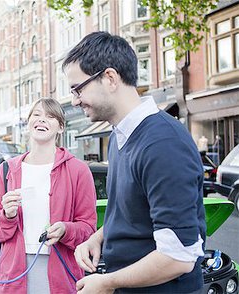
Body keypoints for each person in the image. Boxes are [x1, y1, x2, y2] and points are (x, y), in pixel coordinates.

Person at [63, 32, 206, 294]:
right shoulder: (121, 135)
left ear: (109, 78)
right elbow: (134, 211)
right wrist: (98, 237)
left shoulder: (163, 143)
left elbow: (179, 256)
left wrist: (106, 283)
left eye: (78, 89)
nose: (74, 100)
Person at [0, 98, 97, 293]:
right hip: (13, 275)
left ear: (61, 128)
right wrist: (7, 216)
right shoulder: (6, 170)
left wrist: (66, 229)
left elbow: (88, 229)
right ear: (28, 123)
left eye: (50, 116)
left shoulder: (78, 170)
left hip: (61, 273)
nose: (42, 120)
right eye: (36, 115)